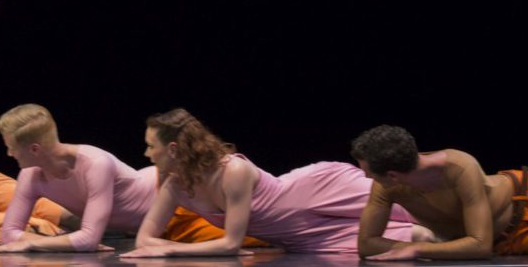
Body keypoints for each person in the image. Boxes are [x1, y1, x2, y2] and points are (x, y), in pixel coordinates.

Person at [121, 109, 426, 258]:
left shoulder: (233, 171)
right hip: (300, 236)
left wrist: (169, 251)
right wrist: (159, 247)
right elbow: (144, 240)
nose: (146, 153)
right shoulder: (175, 186)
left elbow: (230, 244)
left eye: (151, 146)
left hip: (310, 194)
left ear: (172, 149)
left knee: (412, 203)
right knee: (411, 236)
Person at [0, 104, 268, 253]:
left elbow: (87, 241)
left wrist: (31, 242)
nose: (8, 153)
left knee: (261, 233)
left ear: (35, 149)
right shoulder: (31, 176)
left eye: (10, 145)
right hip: (151, 228)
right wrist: (53, 241)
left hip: (179, 210)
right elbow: (9, 234)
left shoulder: (93, 163)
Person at [351, 124, 528, 259]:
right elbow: (366, 244)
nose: (366, 177)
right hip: (515, 239)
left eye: (369, 172)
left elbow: (478, 244)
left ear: (393, 175)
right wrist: (408, 247)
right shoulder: (385, 188)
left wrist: (417, 249)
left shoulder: (459, 166)